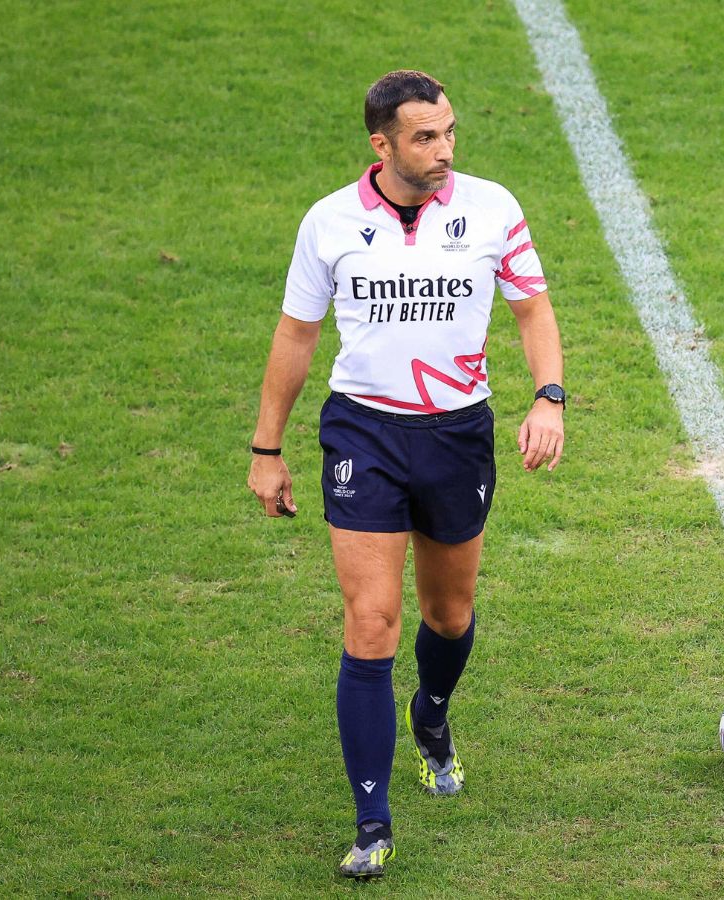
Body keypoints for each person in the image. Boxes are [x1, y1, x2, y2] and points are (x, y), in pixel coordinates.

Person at [245, 70, 565, 878]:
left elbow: (532, 308)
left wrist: (549, 399)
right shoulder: (329, 224)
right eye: (426, 137)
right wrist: (266, 449)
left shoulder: (492, 208)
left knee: (449, 616)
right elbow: (294, 337)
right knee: (372, 623)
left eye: (450, 131)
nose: (445, 149)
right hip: (365, 433)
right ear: (381, 145)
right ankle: (372, 821)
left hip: (457, 433)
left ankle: (431, 713)